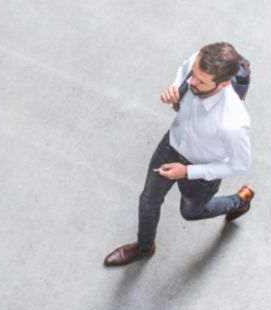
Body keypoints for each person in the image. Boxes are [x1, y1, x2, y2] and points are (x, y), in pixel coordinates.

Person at [104, 42, 255, 267]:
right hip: (170, 148)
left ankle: (238, 201)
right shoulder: (198, 63)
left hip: (201, 171)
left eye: (200, 81)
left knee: (191, 212)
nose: (192, 81)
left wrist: (187, 171)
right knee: (148, 199)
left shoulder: (233, 123)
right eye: (193, 74)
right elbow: (184, 70)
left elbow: (239, 164)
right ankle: (144, 247)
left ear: (223, 84)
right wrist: (175, 89)